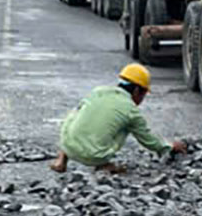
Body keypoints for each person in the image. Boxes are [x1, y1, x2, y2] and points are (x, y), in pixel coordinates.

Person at [50, 64, 188, 174]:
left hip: (67, 145)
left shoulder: (98, 91)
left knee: (76, 114)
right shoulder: (131, 110)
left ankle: (61, 159)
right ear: (136, 91)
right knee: (126, 127)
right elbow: (149, 141)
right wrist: (169, 146)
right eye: (143, 94)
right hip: (93, 157)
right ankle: (103, 164)